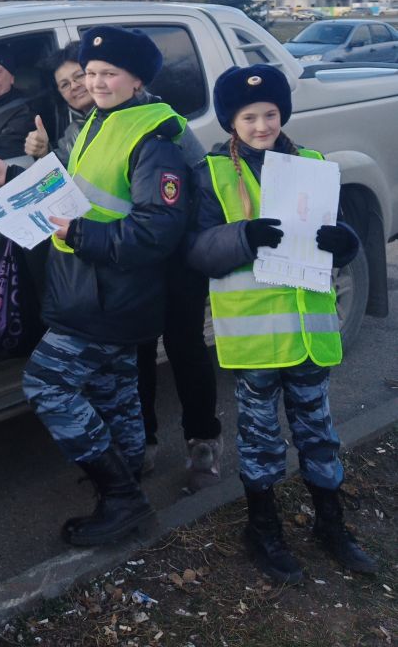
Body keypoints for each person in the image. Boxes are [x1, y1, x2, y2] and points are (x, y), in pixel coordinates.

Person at [187, 64, 377, 583]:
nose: (261, 125)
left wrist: (344, 243)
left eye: (270, 113)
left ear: (282, 114)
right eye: (249, 116)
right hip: (256, 340)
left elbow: (339, 232)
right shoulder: (211, 173)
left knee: (319, 432)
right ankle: (263, 528)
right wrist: (244, 237)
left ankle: (331, 524)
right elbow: (196, 250)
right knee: (260, 439)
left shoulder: (312, 164)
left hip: (309, 334)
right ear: (231, 121)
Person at [5, 25, 190, 548]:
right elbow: (77, 191)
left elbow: (159, 230)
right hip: (87, 289)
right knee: (116, 392)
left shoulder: (153, 139)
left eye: (110, 73)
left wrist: (81, 235)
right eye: (91, 72)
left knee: (46, 384)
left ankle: (121, 496)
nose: (97, 82)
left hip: (112, 295)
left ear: (137, 81)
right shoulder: (96, 123)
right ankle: (128, 483)